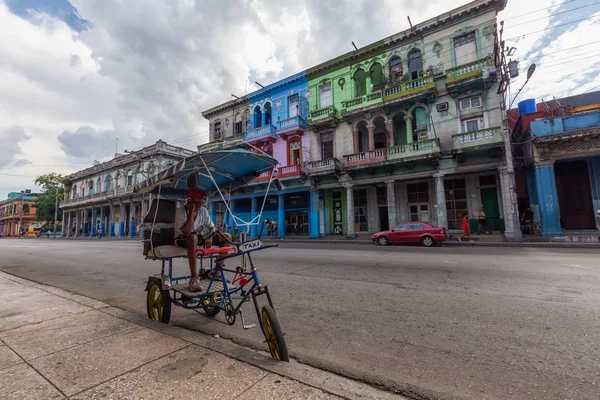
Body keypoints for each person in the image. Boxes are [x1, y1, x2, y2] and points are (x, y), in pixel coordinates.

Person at [174, 189, 232, 292]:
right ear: (190, 199)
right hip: (183, 238)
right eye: (198, 197)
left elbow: (212, 227)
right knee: (192, 237)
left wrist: (210, 236)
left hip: (200, 237)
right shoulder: (181, 211)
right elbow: (186, 231)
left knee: (227, 236)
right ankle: (194, 277)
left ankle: (216, 270)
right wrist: (191, 211)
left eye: (203, 198)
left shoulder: (203, 210)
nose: (202, 201)